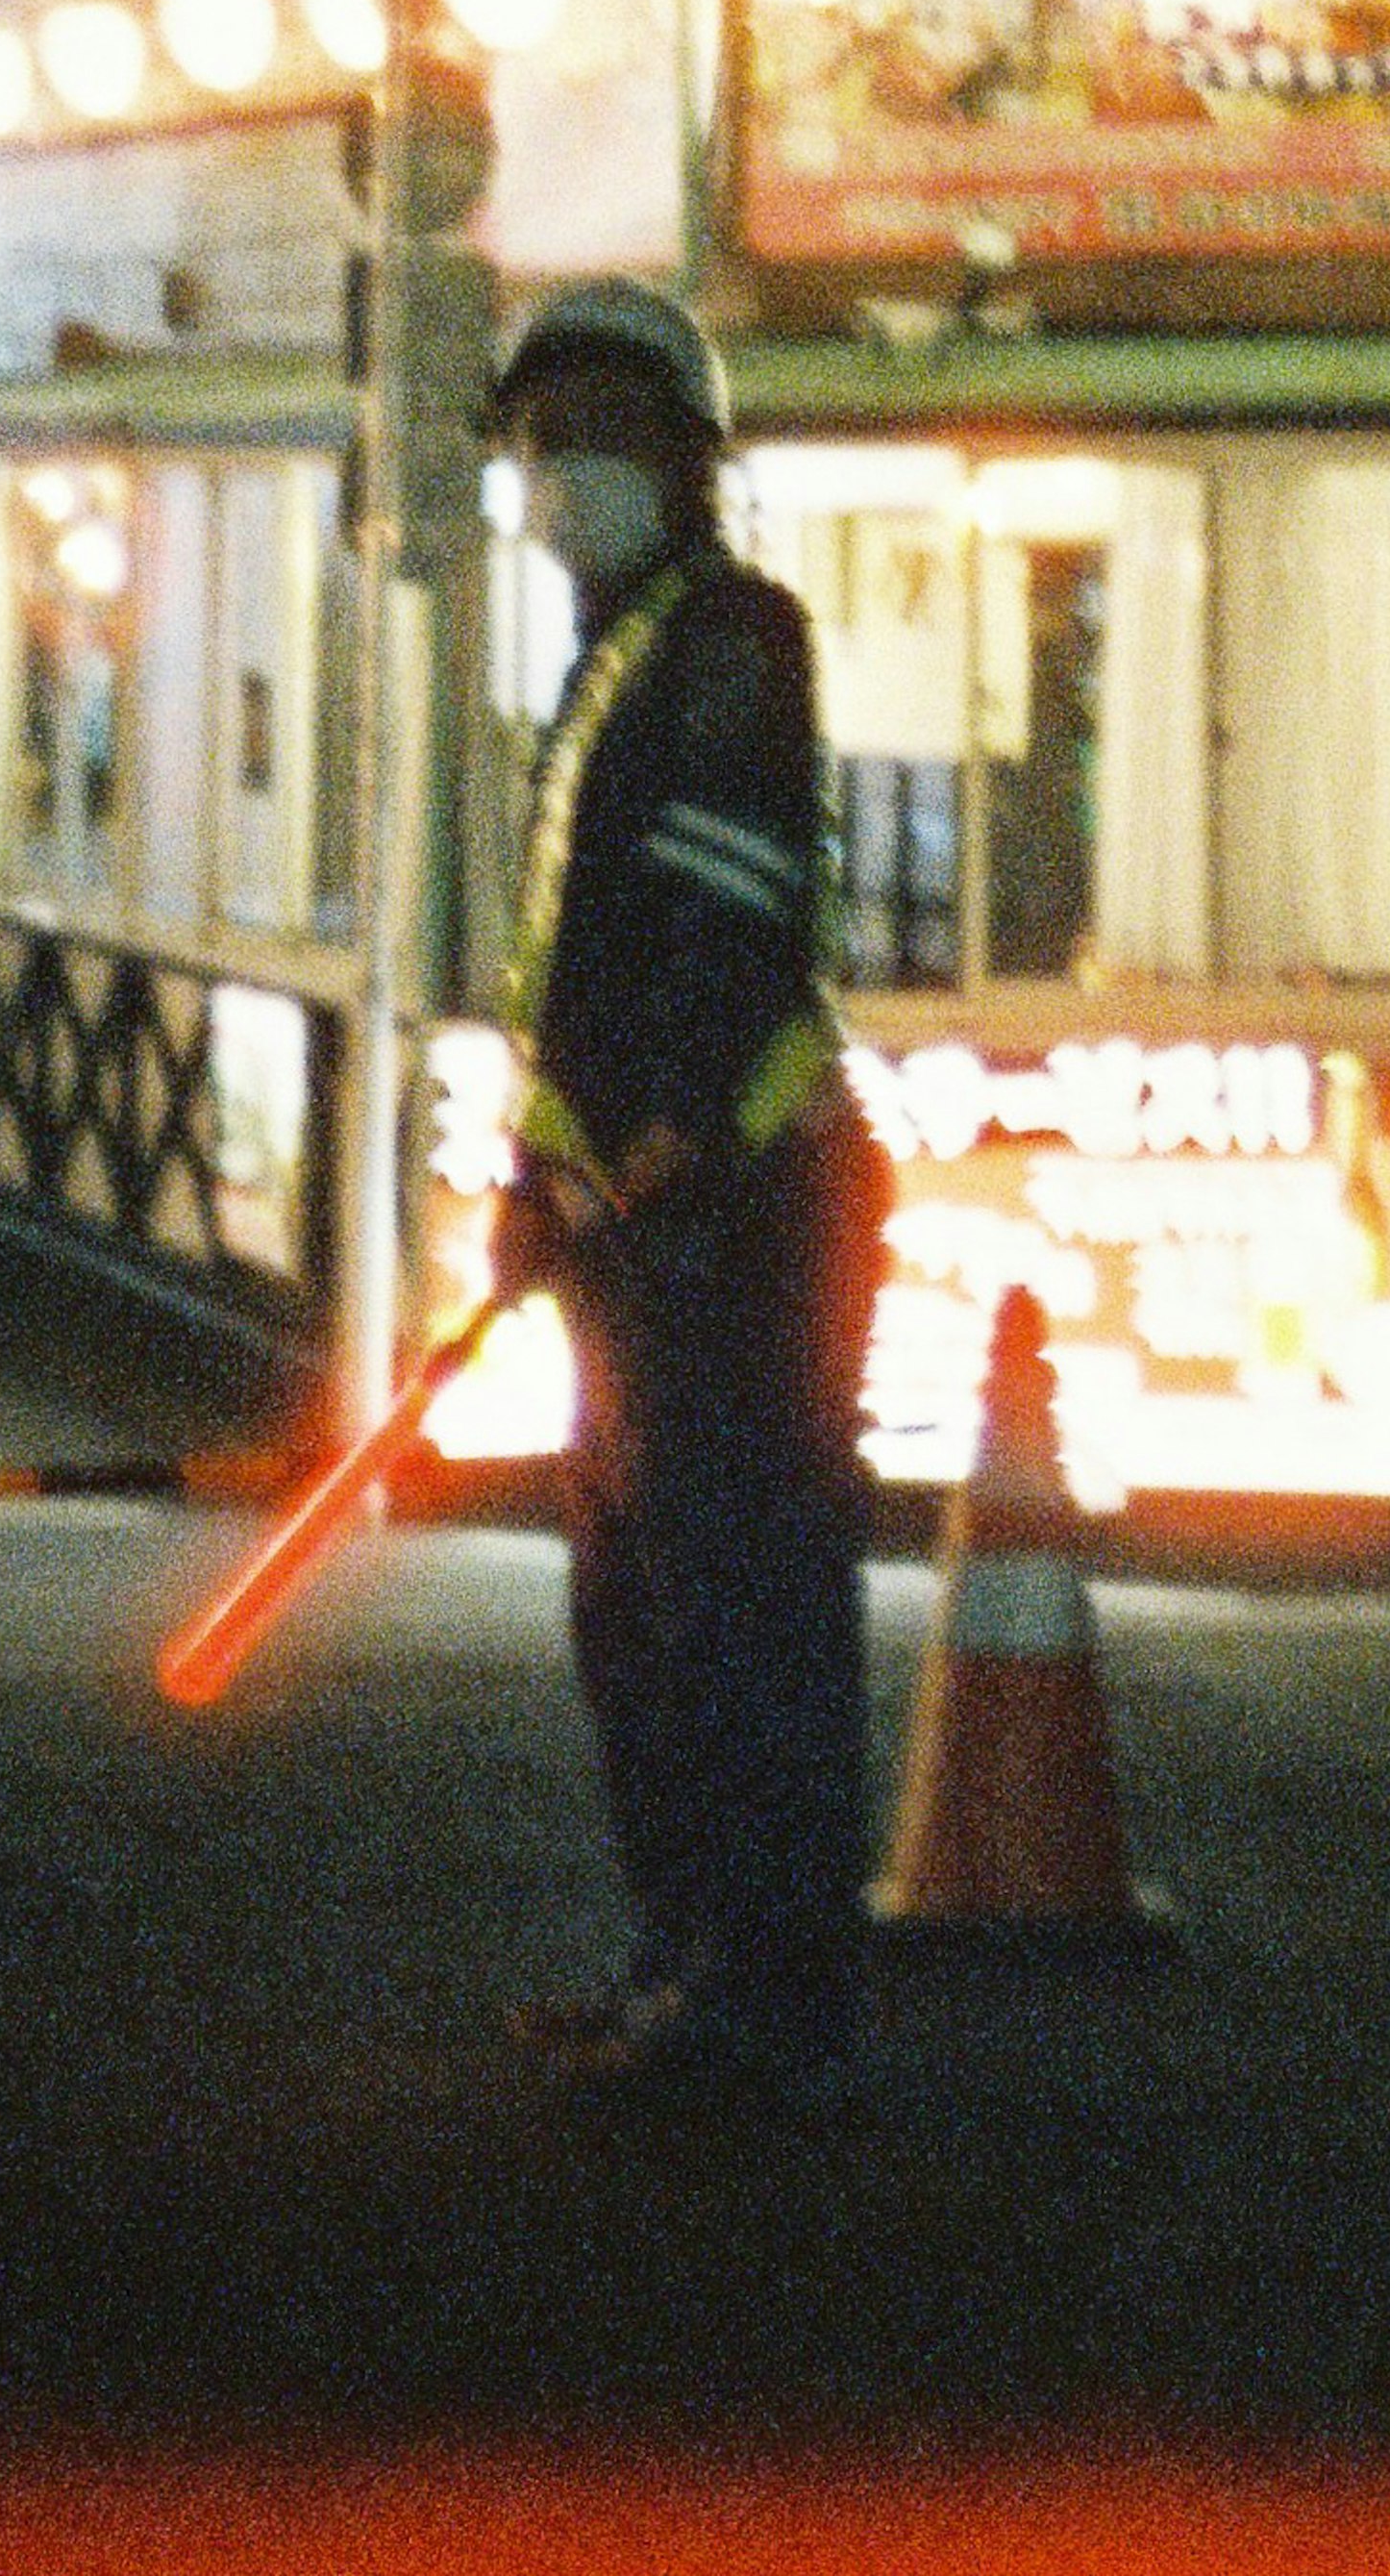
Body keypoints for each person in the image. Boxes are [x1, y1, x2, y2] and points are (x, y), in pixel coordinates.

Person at [485, 279, 885, 2113]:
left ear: (689, 461)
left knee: (739, 1600)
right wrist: (534, 1172)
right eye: (537, 442)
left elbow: (724, 935)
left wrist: (636, 1162)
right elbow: (576, 960)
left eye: (597, 439)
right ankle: (681, 1956)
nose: (561, 475)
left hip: (740, 1202)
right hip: (635, 1217)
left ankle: (767, 1989)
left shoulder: (732, 637)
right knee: (636, 1605)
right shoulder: (610, 655)